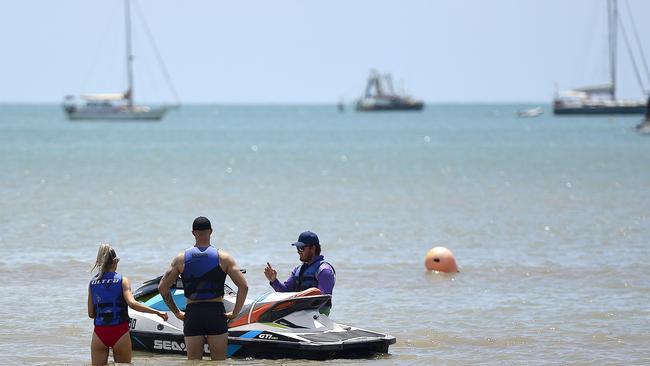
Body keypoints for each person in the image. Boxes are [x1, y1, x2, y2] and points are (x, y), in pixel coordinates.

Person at [158, 216, 248, 361]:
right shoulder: (224, 258)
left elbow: (163, 287)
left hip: (193, 314)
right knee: (219, 361)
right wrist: (235, 312)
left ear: (193, 233)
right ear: (211, 232)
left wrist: (176, 312)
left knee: (193, 361)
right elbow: (243, 286)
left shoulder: (181, 259)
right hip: (215, 312)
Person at [88, 243, 168, 366]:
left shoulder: (93, 283)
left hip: (99, 333)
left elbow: (91, 314)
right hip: (119, 331)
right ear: (115, 262)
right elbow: (132, 304)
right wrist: (157, 312)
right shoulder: (122, 280)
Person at [264, 231, 336, 315]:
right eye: (297, 248)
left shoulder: (324, 271)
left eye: (301, 248)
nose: (298, 251)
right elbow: (285, 292)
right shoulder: (298, 270)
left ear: (313, 248)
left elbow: (322, 301)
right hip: (298, 315)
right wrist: (274, 280)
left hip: (316, 318)